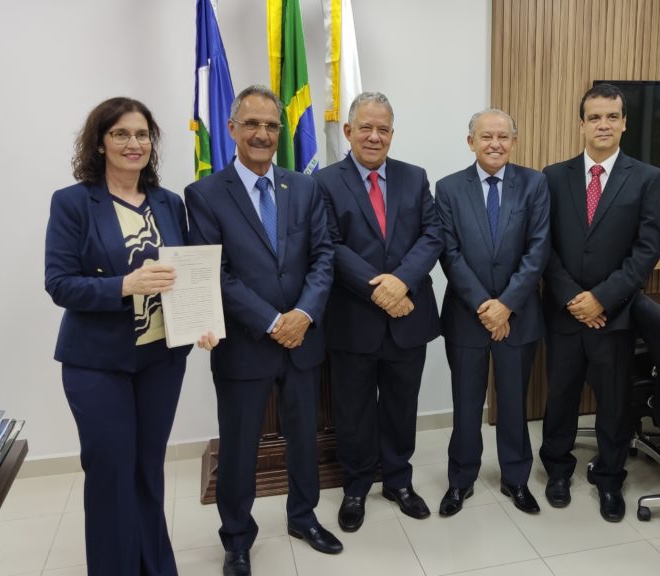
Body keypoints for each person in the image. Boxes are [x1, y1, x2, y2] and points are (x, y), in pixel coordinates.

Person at [45, 97, 215, 575]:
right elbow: (59, 284)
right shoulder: (73, 202)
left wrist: (202, 320)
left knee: (147, 470)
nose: (133, 143)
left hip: (161, 360)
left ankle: (156, 567)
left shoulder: (169, 202)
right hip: (96, 363)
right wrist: (124, 285)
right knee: (111, 475)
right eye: (120, 133)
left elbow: (186, 274)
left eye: (142, 134)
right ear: (100, 143)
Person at [184, 85, 340, 576]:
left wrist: (304, 314)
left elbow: (323, 257)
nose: (262, 134)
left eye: (271, 125)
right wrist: (273, 321)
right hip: (245, 345)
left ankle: (303, 517)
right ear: (232, 129)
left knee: (303, 438)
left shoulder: (304, 187)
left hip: (303, 339)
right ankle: (236, 539)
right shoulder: (205, 194)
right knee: (239, 446)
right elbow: (216, 272)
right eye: (251, 124)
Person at [313, 92, 443, 532]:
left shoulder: (414, 176)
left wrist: (401, 282)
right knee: (353, 410)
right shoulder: (324, 182)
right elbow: (330, 245)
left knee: (401, 406)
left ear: (392, 133)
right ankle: (356, 486)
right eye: (365, 128)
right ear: (349, 131)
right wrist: (382, 290)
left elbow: (432, 234)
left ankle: (398, 481)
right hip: (353, 319)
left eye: (383, 129)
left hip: (409, 316)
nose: (374, 136)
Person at [540, 83, 660, 522]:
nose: (603, 125)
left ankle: (610, 478)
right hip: (564, 312)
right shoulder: (553, 176)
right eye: (594, 117)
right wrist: (573, 298)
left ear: (624, 123)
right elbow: (543, 245)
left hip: (615, 315)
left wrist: (602, 299)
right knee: (560, 396)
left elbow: (646, 250)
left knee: (613, 402)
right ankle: (557, 471)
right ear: (582, 124)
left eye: (612, 116)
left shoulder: (647, 178)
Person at [434, 109, 549, 516]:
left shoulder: (534, 184)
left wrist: (506, 305)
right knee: (466, 404)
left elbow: (538, 249)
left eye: (503, 137)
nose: (495, 144)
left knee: (514, 403)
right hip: (467, 316)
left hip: (518, 315)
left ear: (514, 142)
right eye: (486, 137)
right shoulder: (448, 188)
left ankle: (516, 478)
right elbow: (449, 253)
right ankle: (460, 479)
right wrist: (486, 307)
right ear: (471, 142)